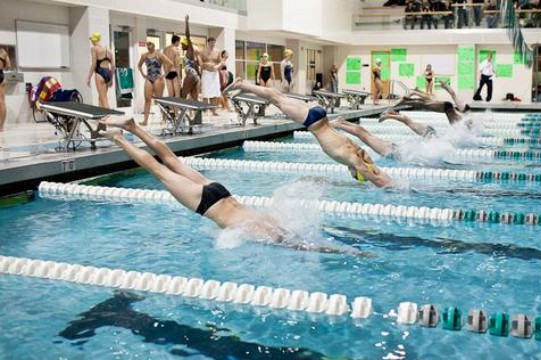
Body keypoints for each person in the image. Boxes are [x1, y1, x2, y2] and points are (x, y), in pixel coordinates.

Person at [98, 116, 364, 256]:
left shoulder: (275, 225)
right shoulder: (274, 231)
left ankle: (133, 127)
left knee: (167, 161)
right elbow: (304, 245)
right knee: (159, 167)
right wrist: (338, 250)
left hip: (217, 194)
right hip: (212, 198)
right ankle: (120, 136)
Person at [225, 79, 394, 187]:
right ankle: (242, 85)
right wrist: (391, 188)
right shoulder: (352, 160)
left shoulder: (359, 151)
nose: (351, 174)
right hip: (312, 121)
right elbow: (376, 179)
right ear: (355, 172)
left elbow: (376, 171)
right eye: (354, 175)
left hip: (321, 116)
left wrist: (390, 180)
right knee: (275, 99)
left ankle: (246, 89)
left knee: (278, 96)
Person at [390, 81, 470, 125]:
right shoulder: (462, 123)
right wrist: (446, 87)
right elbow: (453, 95)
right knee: (426, 104)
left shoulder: (466, 113)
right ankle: (409, 100)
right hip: (447, 108)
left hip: (447, 107)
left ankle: (412, 96)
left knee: (428, 102)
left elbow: (453, 94)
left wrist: (446, 87)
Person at [138, 41, 172, 126]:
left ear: (154, 46)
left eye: (151, 45)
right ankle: (145, 120)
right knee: (147, 99)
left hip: (158, 78)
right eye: (148, 45)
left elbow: (170, 64)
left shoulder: (159, 54)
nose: (149, 47)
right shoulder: (144, 55)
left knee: (159, 100)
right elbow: (139, 65)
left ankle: (164, 118)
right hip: (149, 78)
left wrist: (164, 75)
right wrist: (143, 74)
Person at [87, 32, 115, 108]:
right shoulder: (108, 51)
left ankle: (109, 116)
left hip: (100, 73)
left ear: (94, 40)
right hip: (108, 73)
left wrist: (89, 77)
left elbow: (94, 64)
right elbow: (113, 66)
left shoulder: (94, 48)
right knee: (101, 97)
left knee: (103, 98)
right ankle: (101, 116)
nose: (91, 42)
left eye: (92, 40)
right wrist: (111, 79)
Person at [200, 36, 223, 116]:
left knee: (214, 94)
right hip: (206, 73)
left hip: (214, 74)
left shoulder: (217, 51)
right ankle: (205, 110)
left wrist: (217, 66)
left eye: (214, 42)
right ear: (208, 42)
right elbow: (200, 63)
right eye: (211, 42)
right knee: (205, 93)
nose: (213, 44)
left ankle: (214, 111)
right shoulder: (203, 51)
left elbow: (221, 62)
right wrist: (204, 65)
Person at [181, 15, 201, 102]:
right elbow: (196, 65)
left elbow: (188, 36)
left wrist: (186, 22)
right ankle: (197, 116)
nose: (181, 45)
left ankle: (178, 114)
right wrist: (199, 76)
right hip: (195, 76)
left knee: (182, 97)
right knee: (194, 100)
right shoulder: (189, 54)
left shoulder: (190, 50)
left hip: (190, 75)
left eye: (183, 44)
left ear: (187, 44)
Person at [163, 35, 182, 101]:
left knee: (170, 93)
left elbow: (163, 62)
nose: (179, 44)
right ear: (176, 41)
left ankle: (171, 108)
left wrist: (166, 72)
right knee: (177, 94)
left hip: (167, 73)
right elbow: (177, 65)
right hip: (174, 72)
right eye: (179, 42)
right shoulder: (176, 50)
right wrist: (179, 78)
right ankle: (176, 111)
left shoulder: (165, 49)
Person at [0, 47, 10, 132]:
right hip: (1, 76)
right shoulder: (3, 51)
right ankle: (1, 126)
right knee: (2, 101)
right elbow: (8, 66)